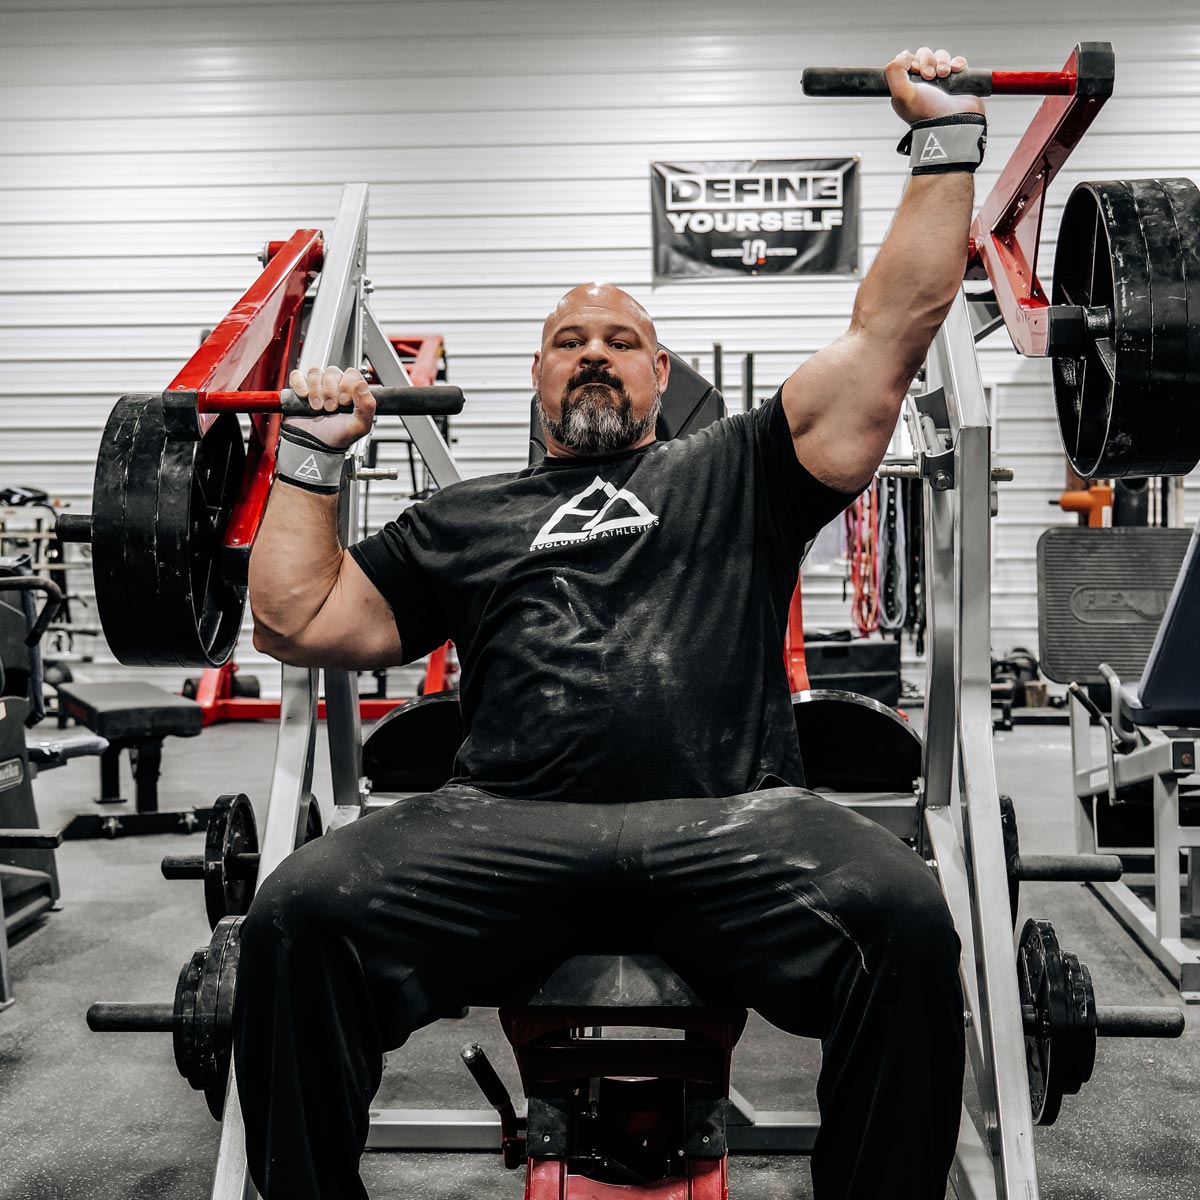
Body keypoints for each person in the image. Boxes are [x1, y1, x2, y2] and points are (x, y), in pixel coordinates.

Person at [235, 47, 985, 1200]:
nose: (593, 350)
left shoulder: (742, 470)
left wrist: (942, 143)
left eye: (620, 340)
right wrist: (306, 455)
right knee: (294, 915)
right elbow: (296, 617)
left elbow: (892, 331)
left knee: (907, 919)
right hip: (505, 830)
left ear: (660, 372)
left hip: (732, 821)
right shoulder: (467, 517)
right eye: (568, 339)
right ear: (536, 375)